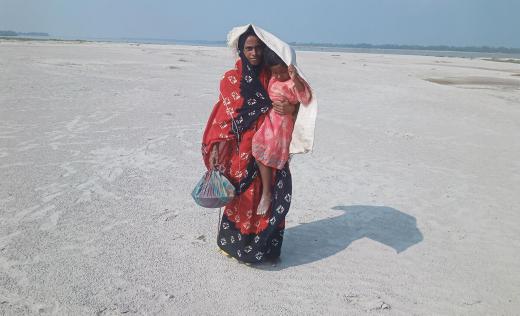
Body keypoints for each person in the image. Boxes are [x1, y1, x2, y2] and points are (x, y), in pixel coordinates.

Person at [201, 26, 297, 263]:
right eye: (249, 48)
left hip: (272, 145)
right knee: (243, 197)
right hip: (241, 150)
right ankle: (237, 247)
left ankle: (267, 249)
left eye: (258, 48)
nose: (254, 53)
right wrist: (215, 147)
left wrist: (291, 109)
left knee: (272, 194)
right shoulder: (231, 79)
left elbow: (297, 99)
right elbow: (223, 115)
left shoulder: (274, 74)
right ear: (241, 50)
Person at [252, 48, 312, 215]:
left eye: (282, 72)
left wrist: (295, 79)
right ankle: (267, 191)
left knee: (270, 151)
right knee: (258, 149)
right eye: (275, 73)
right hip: (270, 121)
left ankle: (267, 193)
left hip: (282, 124)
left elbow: (306, 98)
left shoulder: (293, 82)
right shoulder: (272, 79)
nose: (278, 76)